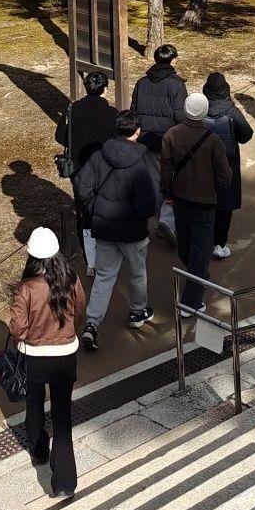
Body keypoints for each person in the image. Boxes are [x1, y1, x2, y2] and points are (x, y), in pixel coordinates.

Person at [8, 227, 86, 500]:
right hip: (66, 355)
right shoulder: (71, 279)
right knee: (63, 417)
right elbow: (80, 312)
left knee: (34, 407)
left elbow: (18, 329)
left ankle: (39, 451)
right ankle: (65, 482)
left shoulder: (26, 288)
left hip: (34, 357)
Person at [75, 114, 156, 349]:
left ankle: (92, 324)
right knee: (137, 273)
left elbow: (82, 188)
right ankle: (137, 312)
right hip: (132, 231)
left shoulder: (99, 156)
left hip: (104, 228)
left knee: (104, 276)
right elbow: (146, 206)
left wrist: (95, 207)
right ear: (138, 132)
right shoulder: (140, 164)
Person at [159, 92, 233, 314]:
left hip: (180, 198)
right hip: (206, 201)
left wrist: (167, 191)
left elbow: (165, 167)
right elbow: (225, 175)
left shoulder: (171, 134)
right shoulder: (212, 140)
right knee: (200, 249)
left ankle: (197, 275)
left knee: (185, 243)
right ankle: (191, 301)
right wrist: (216, 189)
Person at [56, 69, 117, 274]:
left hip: (79, 171)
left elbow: (60, 137)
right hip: (105, 170)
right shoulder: (112, 114)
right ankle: (108, 253)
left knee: (84, 213)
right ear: (105, 90)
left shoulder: (72, 109)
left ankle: (91, 260)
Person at [130, 43, 188, 247]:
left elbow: (134, 110)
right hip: (170, 141)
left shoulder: (141, 83)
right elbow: (181, 116)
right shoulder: (176, 85)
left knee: (155, 184)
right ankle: (170, 222)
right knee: (175, 183)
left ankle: (159, 221)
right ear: (173, 60)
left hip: (146, 140)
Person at [203, 71, 254, 259]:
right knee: (225, 206)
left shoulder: (201, 109)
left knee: (207, 204)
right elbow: (246, 134)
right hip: (228, 162)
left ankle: (206, 241)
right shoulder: (232, 110)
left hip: (205, 163)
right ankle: (220, 244)